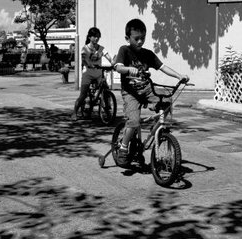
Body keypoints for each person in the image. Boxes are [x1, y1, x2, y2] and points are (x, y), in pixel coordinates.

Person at [113, 18, 189, 158]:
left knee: (167, 101)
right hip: (131, 93)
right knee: (134, 121)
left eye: (143, 38)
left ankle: (156, 128)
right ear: (127, 38)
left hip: (147, 90)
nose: (140, 41)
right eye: (136, 38)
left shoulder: (147, 54)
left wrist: (179, 76)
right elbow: (118, 67)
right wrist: (129, 69)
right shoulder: (124, 50)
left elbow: (162, 67)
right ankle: (124, 147)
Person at [72, 27, 112, 120]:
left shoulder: (101, 49)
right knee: (83, 95)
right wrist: (90, 65)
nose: (96, 38)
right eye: (94, 36)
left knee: (106, 91)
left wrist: (114, 64)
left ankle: (108, 111)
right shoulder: (85, 48)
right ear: (90, 37)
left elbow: (109, 58)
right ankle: (74, 112)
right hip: (88, 74)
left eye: (98, 37)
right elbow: (84, 60)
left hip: (98, 74)